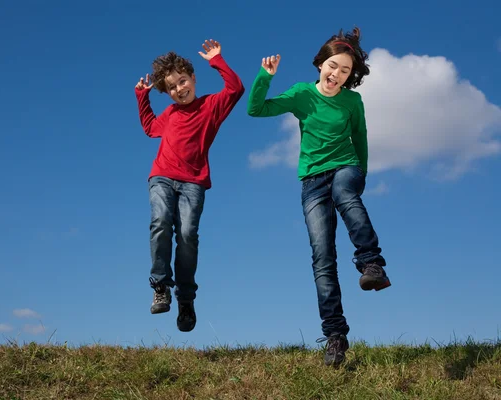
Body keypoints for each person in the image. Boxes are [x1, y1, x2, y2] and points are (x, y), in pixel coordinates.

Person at [247, 27, 391, 366]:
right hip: (312, 181)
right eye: (332, 66)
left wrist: (362, 175)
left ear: (350, 76)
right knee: (322, 259)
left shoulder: (353, 102)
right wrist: (264, 77)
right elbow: (256, 108)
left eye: (344, 71)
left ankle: (372, 263)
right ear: (320, 64)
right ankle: (335, 336)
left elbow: (361, 138)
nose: (336, 74)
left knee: (345, 191)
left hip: (346, 168)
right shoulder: (301, 95)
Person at [134, 39, 244, 332]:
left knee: (186, 235)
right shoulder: (169, 115)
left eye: (182, 81)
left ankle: (185, 299)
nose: (179, 89)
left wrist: (217, 60)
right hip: (162, 176)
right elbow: (149, 127)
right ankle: (160, 285)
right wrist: (141, 96)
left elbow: (235, 89)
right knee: (160, 222)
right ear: (166, 92)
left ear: (192, 79)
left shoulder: (211, 106)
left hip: (193, 182)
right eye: (172, 87)